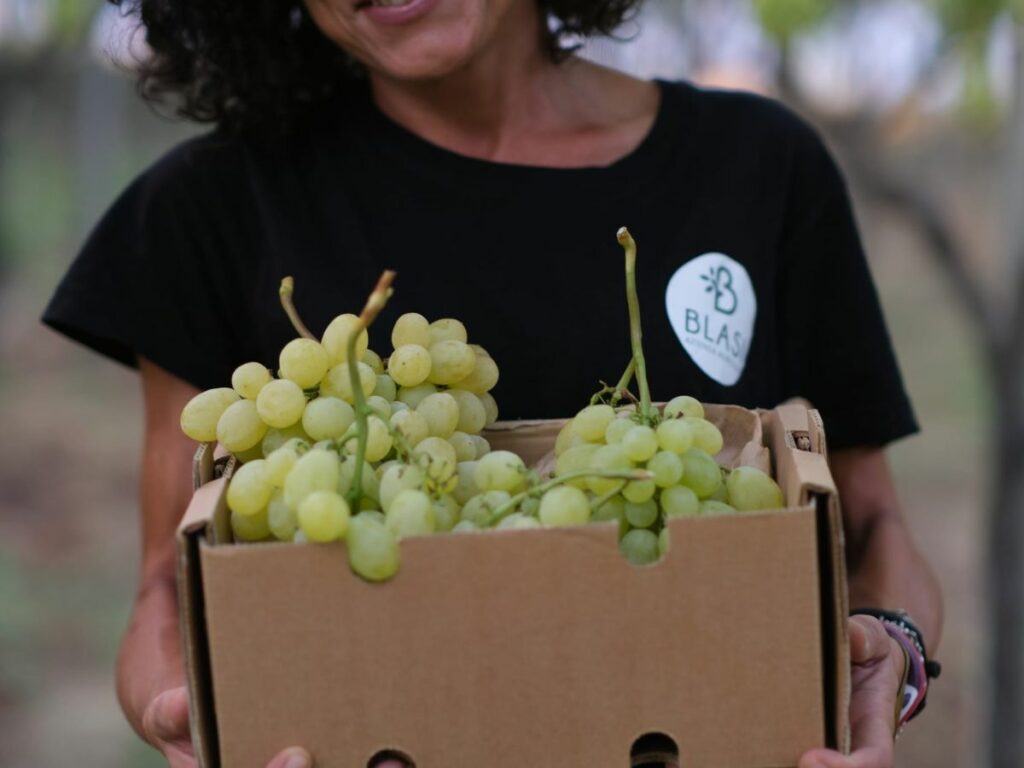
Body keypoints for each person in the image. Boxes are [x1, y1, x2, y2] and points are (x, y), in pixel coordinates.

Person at [43, 1, 943, 767]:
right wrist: (181, 706)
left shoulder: (761, 166)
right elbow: (168, 584)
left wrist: (891, 650)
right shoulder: (207, 209)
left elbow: (871, 524)